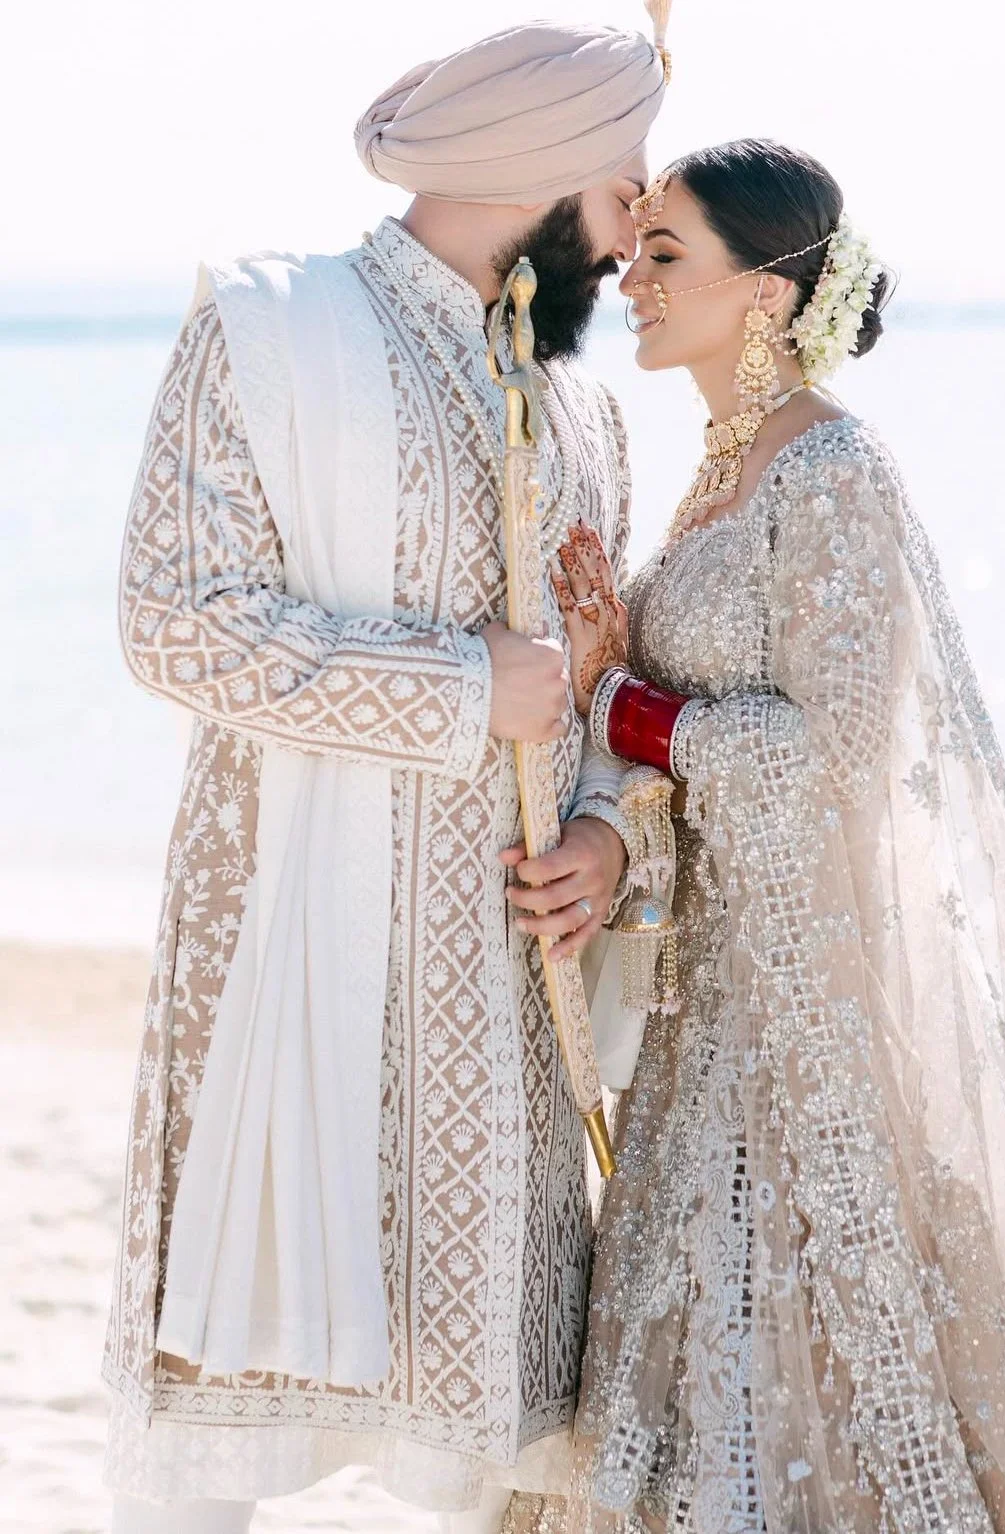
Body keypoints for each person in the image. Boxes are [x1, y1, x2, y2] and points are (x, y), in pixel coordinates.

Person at [535, 138, 1005, 1531]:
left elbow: (826, 763)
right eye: (633, 248)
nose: (628, 281)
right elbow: (691, 748)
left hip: (812, 1007)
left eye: (664, 257)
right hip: (712, 997)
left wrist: (623, 702)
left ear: (764, 296)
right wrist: (597, 701)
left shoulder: (831, 475)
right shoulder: (715, 475)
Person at [102, 17, 673, 1533]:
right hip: (302, 957)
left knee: (506, 1444)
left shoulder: (584, 409)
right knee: (247, 1389)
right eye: (621, 193)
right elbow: (174, 620)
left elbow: (607, 673)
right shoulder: (270, 329)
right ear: (541, 177)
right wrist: (455, 685)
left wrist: (611, 838)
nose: (633, 238)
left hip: (510, 997)